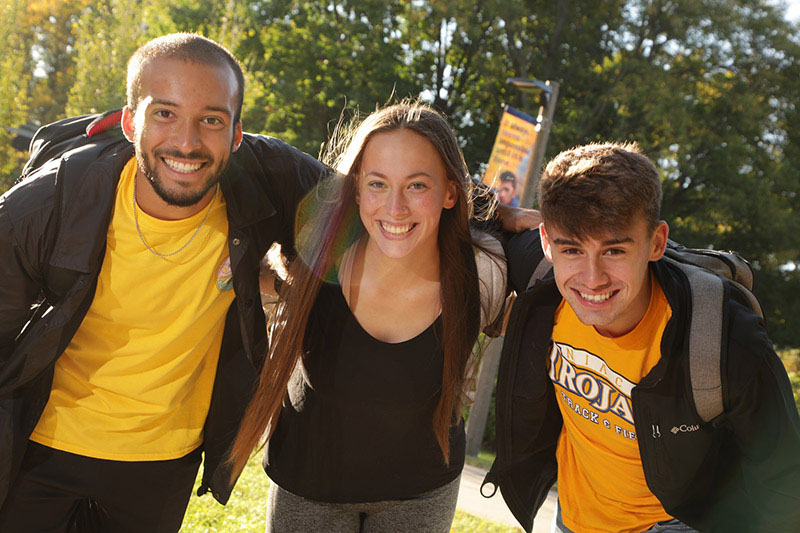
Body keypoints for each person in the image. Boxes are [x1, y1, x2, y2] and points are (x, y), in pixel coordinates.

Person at [0, 33, 328, 531]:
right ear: (130, 121)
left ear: (237, 134)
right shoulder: (49, 203)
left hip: (162, 465)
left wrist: (482, 217)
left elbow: (379, 205)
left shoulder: (266, 180)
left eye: (212, 120)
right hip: (40, 448)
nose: (188, 142)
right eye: (165, 113)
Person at [488, 142, 800, 532]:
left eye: (614, 250)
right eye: (571, 249)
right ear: (547, 243)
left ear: (656, 242)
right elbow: (435, 192)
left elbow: (785, 480)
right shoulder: (538, 276)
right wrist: (499, 210)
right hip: (573, 518)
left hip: (677, 522)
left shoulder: (724, 336)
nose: (592, 278)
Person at [229, 102, 508, 532]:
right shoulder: (317, 254)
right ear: (357, 188)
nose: (395, 207)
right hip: (308, 484)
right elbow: (233, 163)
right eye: (378, 183)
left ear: (451, 192)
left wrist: (507, 213)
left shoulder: (483, 274)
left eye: (417, 185)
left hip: (422, 491)